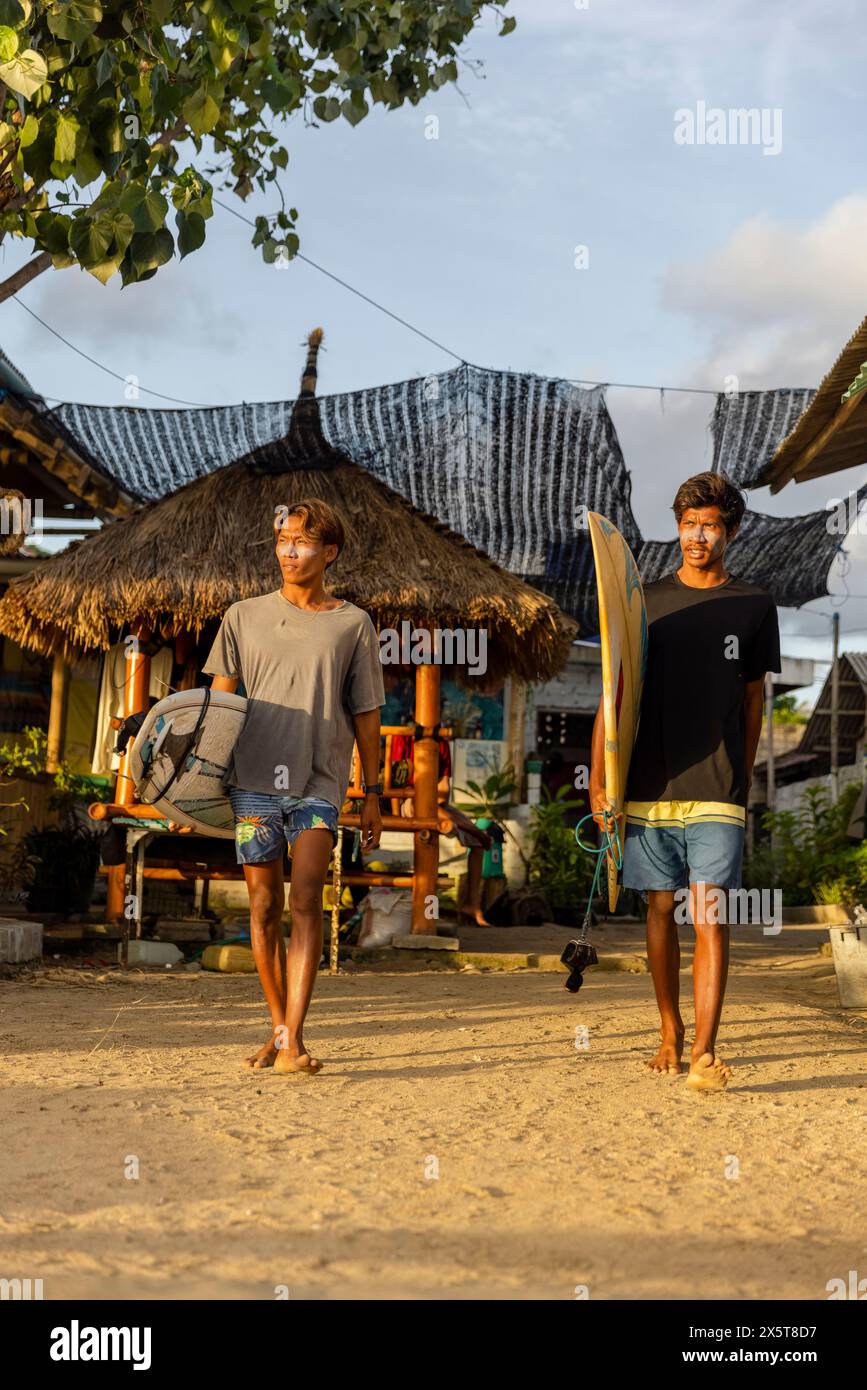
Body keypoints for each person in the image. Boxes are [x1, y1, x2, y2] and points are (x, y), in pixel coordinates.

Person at [590, 471, 780, 1091]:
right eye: (689, 524)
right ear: (677, 527)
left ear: (732, 531)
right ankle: (668, 1031)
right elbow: (612, 697)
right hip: (648, 783)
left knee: (711, 914)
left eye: (711, 525)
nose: (698, 536)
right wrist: (601, 782)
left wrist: (741, 777)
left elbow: (753, 703)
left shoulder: (754, 605)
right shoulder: (646, 604)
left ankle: (703, 1049)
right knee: (659, 911)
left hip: (717, 787)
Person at [203, 499, 385, 1074]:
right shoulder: (242, 616)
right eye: (283, 539)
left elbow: (366, 716)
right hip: (252, 780)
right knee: (262, 907)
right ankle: (279, 1030)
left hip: (319, 781)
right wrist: (193, 776)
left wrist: (373, 792)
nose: (289, 550)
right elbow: (219, 706)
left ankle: (294, 1040)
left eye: (303, 542)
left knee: (306, 896)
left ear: (328, 552)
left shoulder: (352, 623)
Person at [390, 730, 494, 927]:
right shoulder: (402, 737)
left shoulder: (442, 742)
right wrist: (396, 813)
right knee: (446, 827)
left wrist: (433, 800)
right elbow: (396, 780)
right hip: (408, 799)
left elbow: (444, 791)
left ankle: (473, 905)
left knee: (478, 843)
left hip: (436, 805)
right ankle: (429, 917)